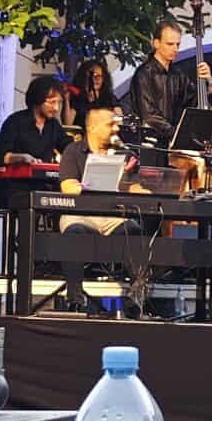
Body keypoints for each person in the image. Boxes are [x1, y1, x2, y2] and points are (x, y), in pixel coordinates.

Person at [55, 103, 147, 309]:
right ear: (93, 127)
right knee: (74, 232)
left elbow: (133, 186)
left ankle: (137, 295)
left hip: (112, 215)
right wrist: (93, 183)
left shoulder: (124, 153)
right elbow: (68, 187)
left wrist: (143, 191)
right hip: (80, 213)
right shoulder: (73, 151)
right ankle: (75, 298)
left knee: (133, 230)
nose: (116, 128)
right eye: (110, 125)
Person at [125, 17, 211, 144]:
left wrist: (207, 82)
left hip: (171, 142)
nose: (175, 49)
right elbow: (149, 116)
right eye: (170, 44)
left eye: (177, 44)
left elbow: (193, 103)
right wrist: (176, 135)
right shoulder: (143, 74)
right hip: (151, 143)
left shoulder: (177, 74)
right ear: (156, 43)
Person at [0, 74, 70, 208]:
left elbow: (67, 146)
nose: (56, 108)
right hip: (15, 188)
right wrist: (23, 158)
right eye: (51, 102)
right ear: (37, 100)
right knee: (34, 202)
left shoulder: (53, 125)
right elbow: (1, 155)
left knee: (65, 199)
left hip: (43, 186)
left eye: (59, 102)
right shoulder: (15, 121)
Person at [68, 56, 116, 126]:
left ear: (103, 79)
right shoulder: (76, 99)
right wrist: (66, 99)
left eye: (98, 76)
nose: (93, 80)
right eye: (90, 76)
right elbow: (67, 124)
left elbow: (119, 122)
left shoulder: (110, 98)